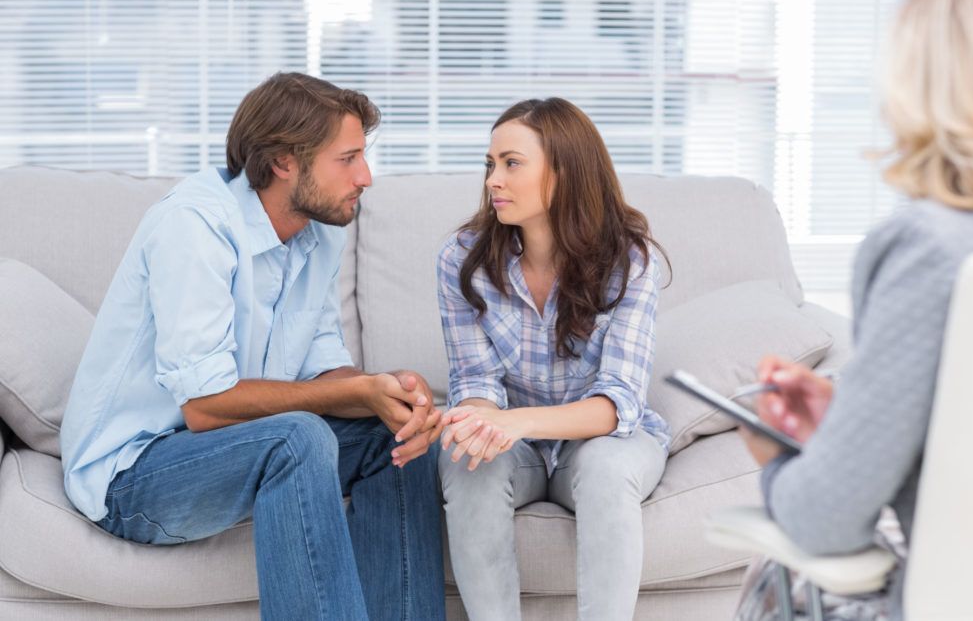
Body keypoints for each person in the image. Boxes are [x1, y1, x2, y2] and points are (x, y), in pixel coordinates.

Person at [735, 0, 973, 620]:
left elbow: (826, 520)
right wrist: (852, 421)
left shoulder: (928, 246)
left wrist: (780, 457)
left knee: (777, 572)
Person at [60, 72, 446, 621]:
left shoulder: (319, 232)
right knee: (298, 437)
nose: (366, 177)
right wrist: (352, 391)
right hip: (133, 477)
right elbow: (205, 406)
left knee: (399, 436)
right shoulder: (195, 226)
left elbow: (322, 373)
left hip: (236, 450)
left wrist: (384, 394)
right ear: (284, 161)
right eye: (348, 158)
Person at [436, 97, 671, 620]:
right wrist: (479, 421)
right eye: (490, 165)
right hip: (514, 448)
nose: (494, 179)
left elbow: (618, 403)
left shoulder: (630, 261)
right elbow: (475, 378)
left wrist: (513, 421)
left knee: (609, 468)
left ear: (564, 171)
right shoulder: (462, 258)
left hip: (600, 441)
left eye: (512, 163)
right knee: (465, 458)